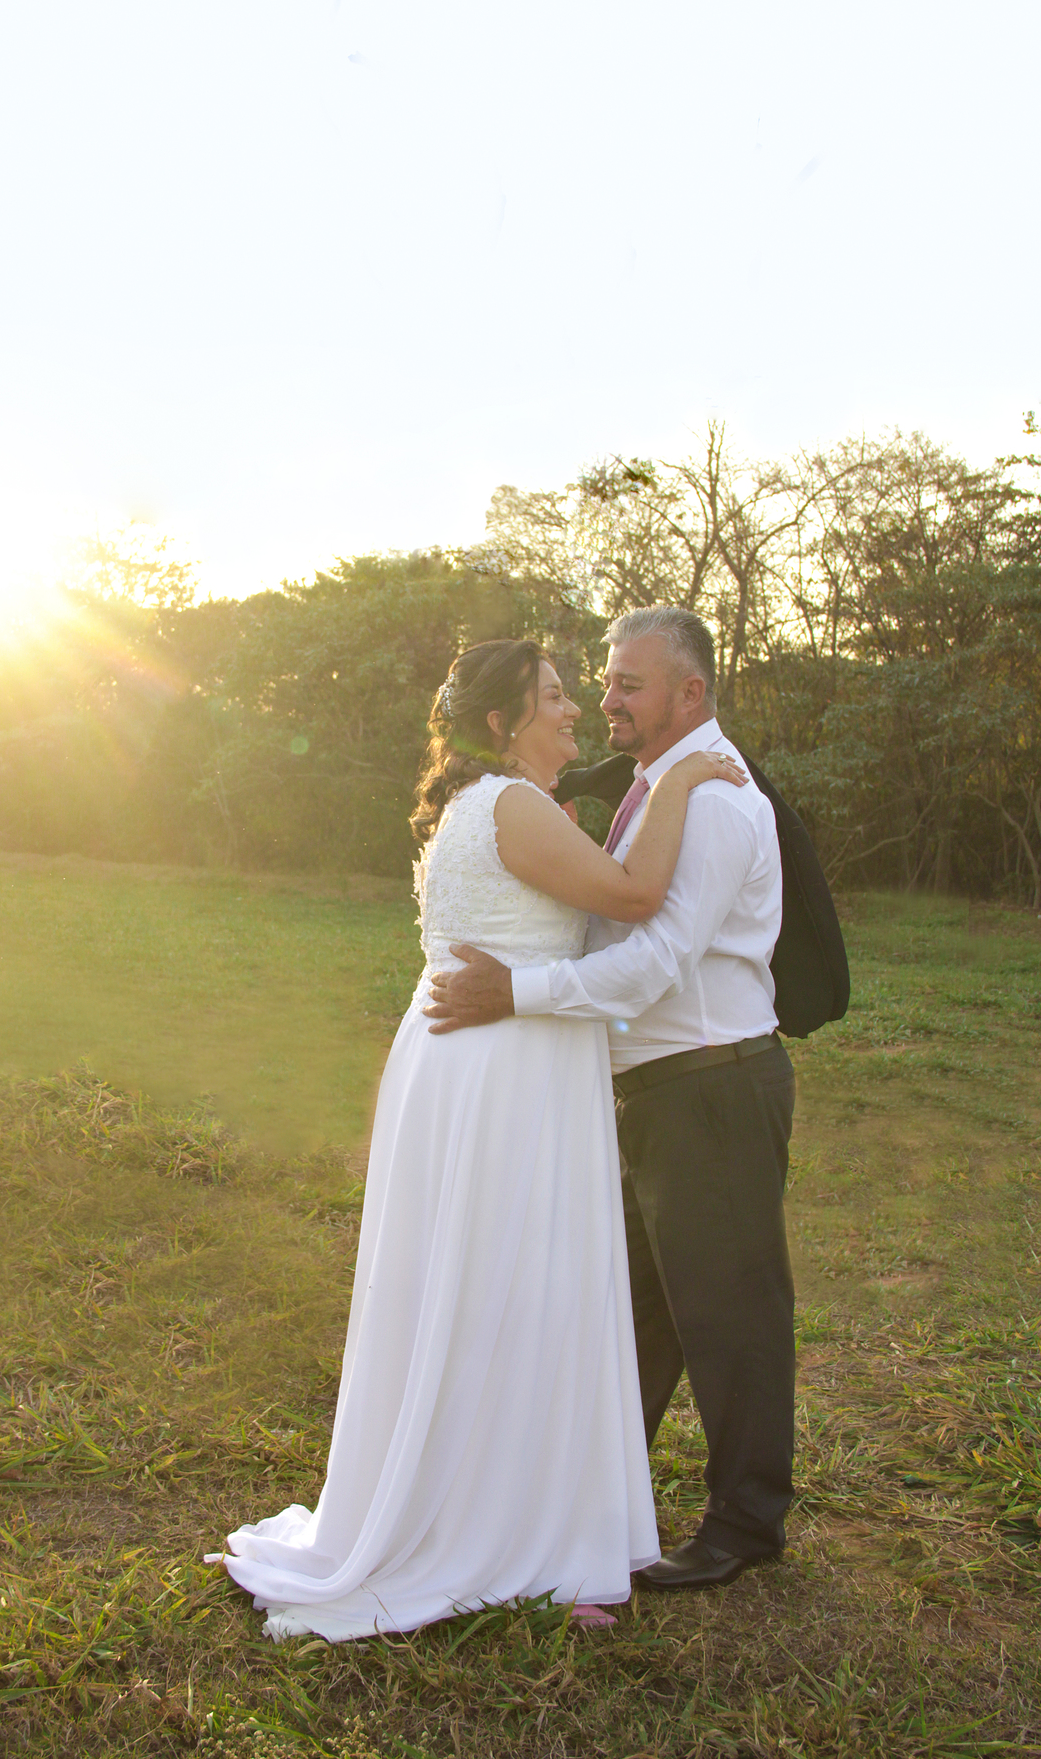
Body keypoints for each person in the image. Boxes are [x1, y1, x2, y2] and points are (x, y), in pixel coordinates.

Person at [207, 637, 747, 1639]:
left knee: (489, 1283)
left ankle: (502, 1514)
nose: (576, 710)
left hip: (478, 1056)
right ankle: (505, 1533)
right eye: (554, 696)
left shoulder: (487, 807)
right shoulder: (511, 805)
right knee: (517, 1281)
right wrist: (681, 782)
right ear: (503, 722)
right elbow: (632, 898)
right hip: (504, 1067)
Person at [427, 607, 797, 1590]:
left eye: (630, 684)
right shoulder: (655, 790)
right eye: (604, 682)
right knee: (636, 1310)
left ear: (691, 693)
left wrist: (519, 992)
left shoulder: (714, 799)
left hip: (712, 1080)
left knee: (729, 1308)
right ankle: (586, 1501)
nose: (607, 699)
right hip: (656, 1091)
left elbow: (654, 962)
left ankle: (747, 1523)